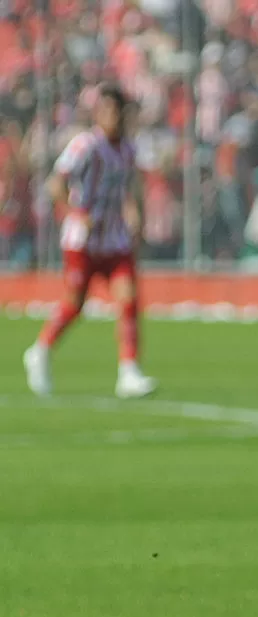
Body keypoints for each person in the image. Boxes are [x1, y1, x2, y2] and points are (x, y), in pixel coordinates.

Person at [24, 85, 157, 399]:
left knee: (128, 299)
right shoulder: (85, 145)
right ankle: (40, 349)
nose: (112, 117)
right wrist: (73, 213)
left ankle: (129, 372)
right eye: (106, 110)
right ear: (99, 113)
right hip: (82, 240)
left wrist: (136, 216)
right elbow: (56, 183)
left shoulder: (127, 150)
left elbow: (130, 190)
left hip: (114, 240)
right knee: (75, 304)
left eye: (117, 111)